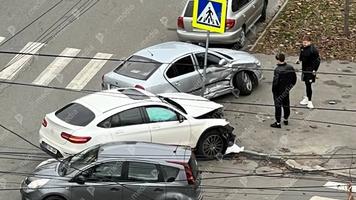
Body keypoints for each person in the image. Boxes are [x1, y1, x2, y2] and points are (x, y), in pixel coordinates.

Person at [271, 53, 297, 128]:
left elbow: (275, 82)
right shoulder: (290, 67)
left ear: (278, 60)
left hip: (278, 91)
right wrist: (289, 88)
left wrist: (274, 91)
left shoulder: (277, 70)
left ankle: (278, 122)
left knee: (278, 106)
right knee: (286, 104)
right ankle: (286, 119)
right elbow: (294, 79)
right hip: (286, 90)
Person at [296, 35, 321, 109]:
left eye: (306, 43)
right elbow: (301, 55)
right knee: (306, 84)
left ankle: (309, 101)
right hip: (304, 69)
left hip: (311, 70)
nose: (304, 44)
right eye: (303, 42)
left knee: (308, 84)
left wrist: (315, 70)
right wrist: (299, 60)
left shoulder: (313, 50)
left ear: (310, 42)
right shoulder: (302, 48)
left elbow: (318, 61)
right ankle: (307, 98)